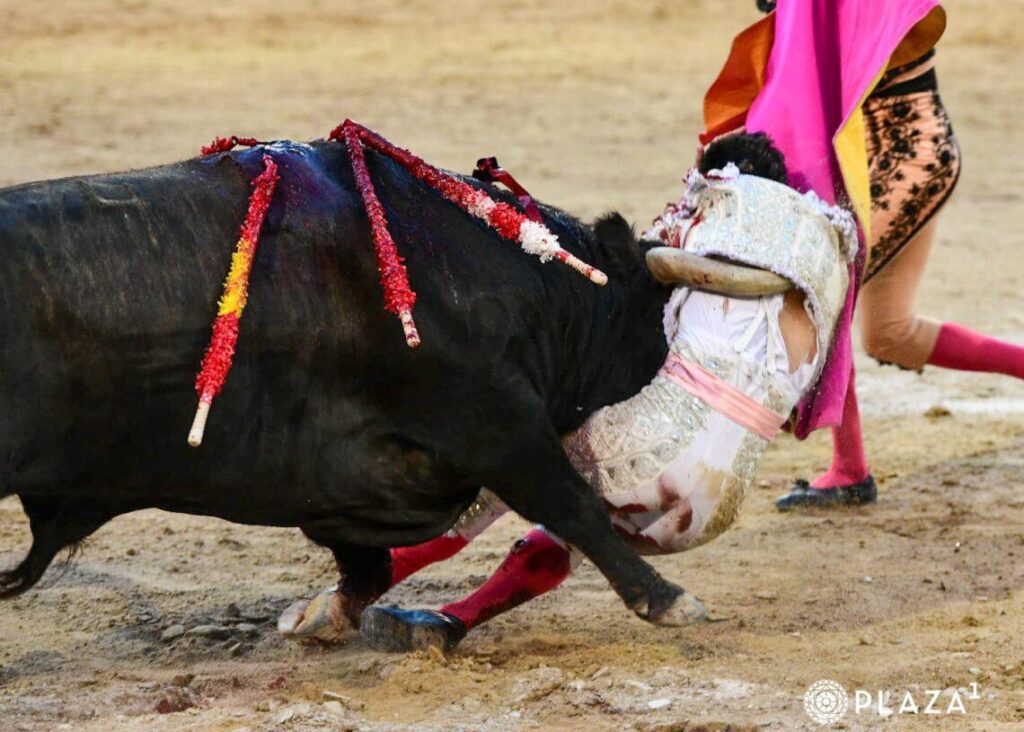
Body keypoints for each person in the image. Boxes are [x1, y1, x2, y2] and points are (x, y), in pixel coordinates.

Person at [279, 133, 859, 651]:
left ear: (715, 182)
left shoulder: (718, 214)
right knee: (570, 518)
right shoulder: (829, 262)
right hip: (715, 504)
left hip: (653, 449)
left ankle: (350, 599)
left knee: (507, 459)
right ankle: (456, 618)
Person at [773, 7, 1024, 509]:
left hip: (912, 154)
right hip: (877, 157)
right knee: (889, 333)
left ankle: (849, 470)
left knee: (824, 291)